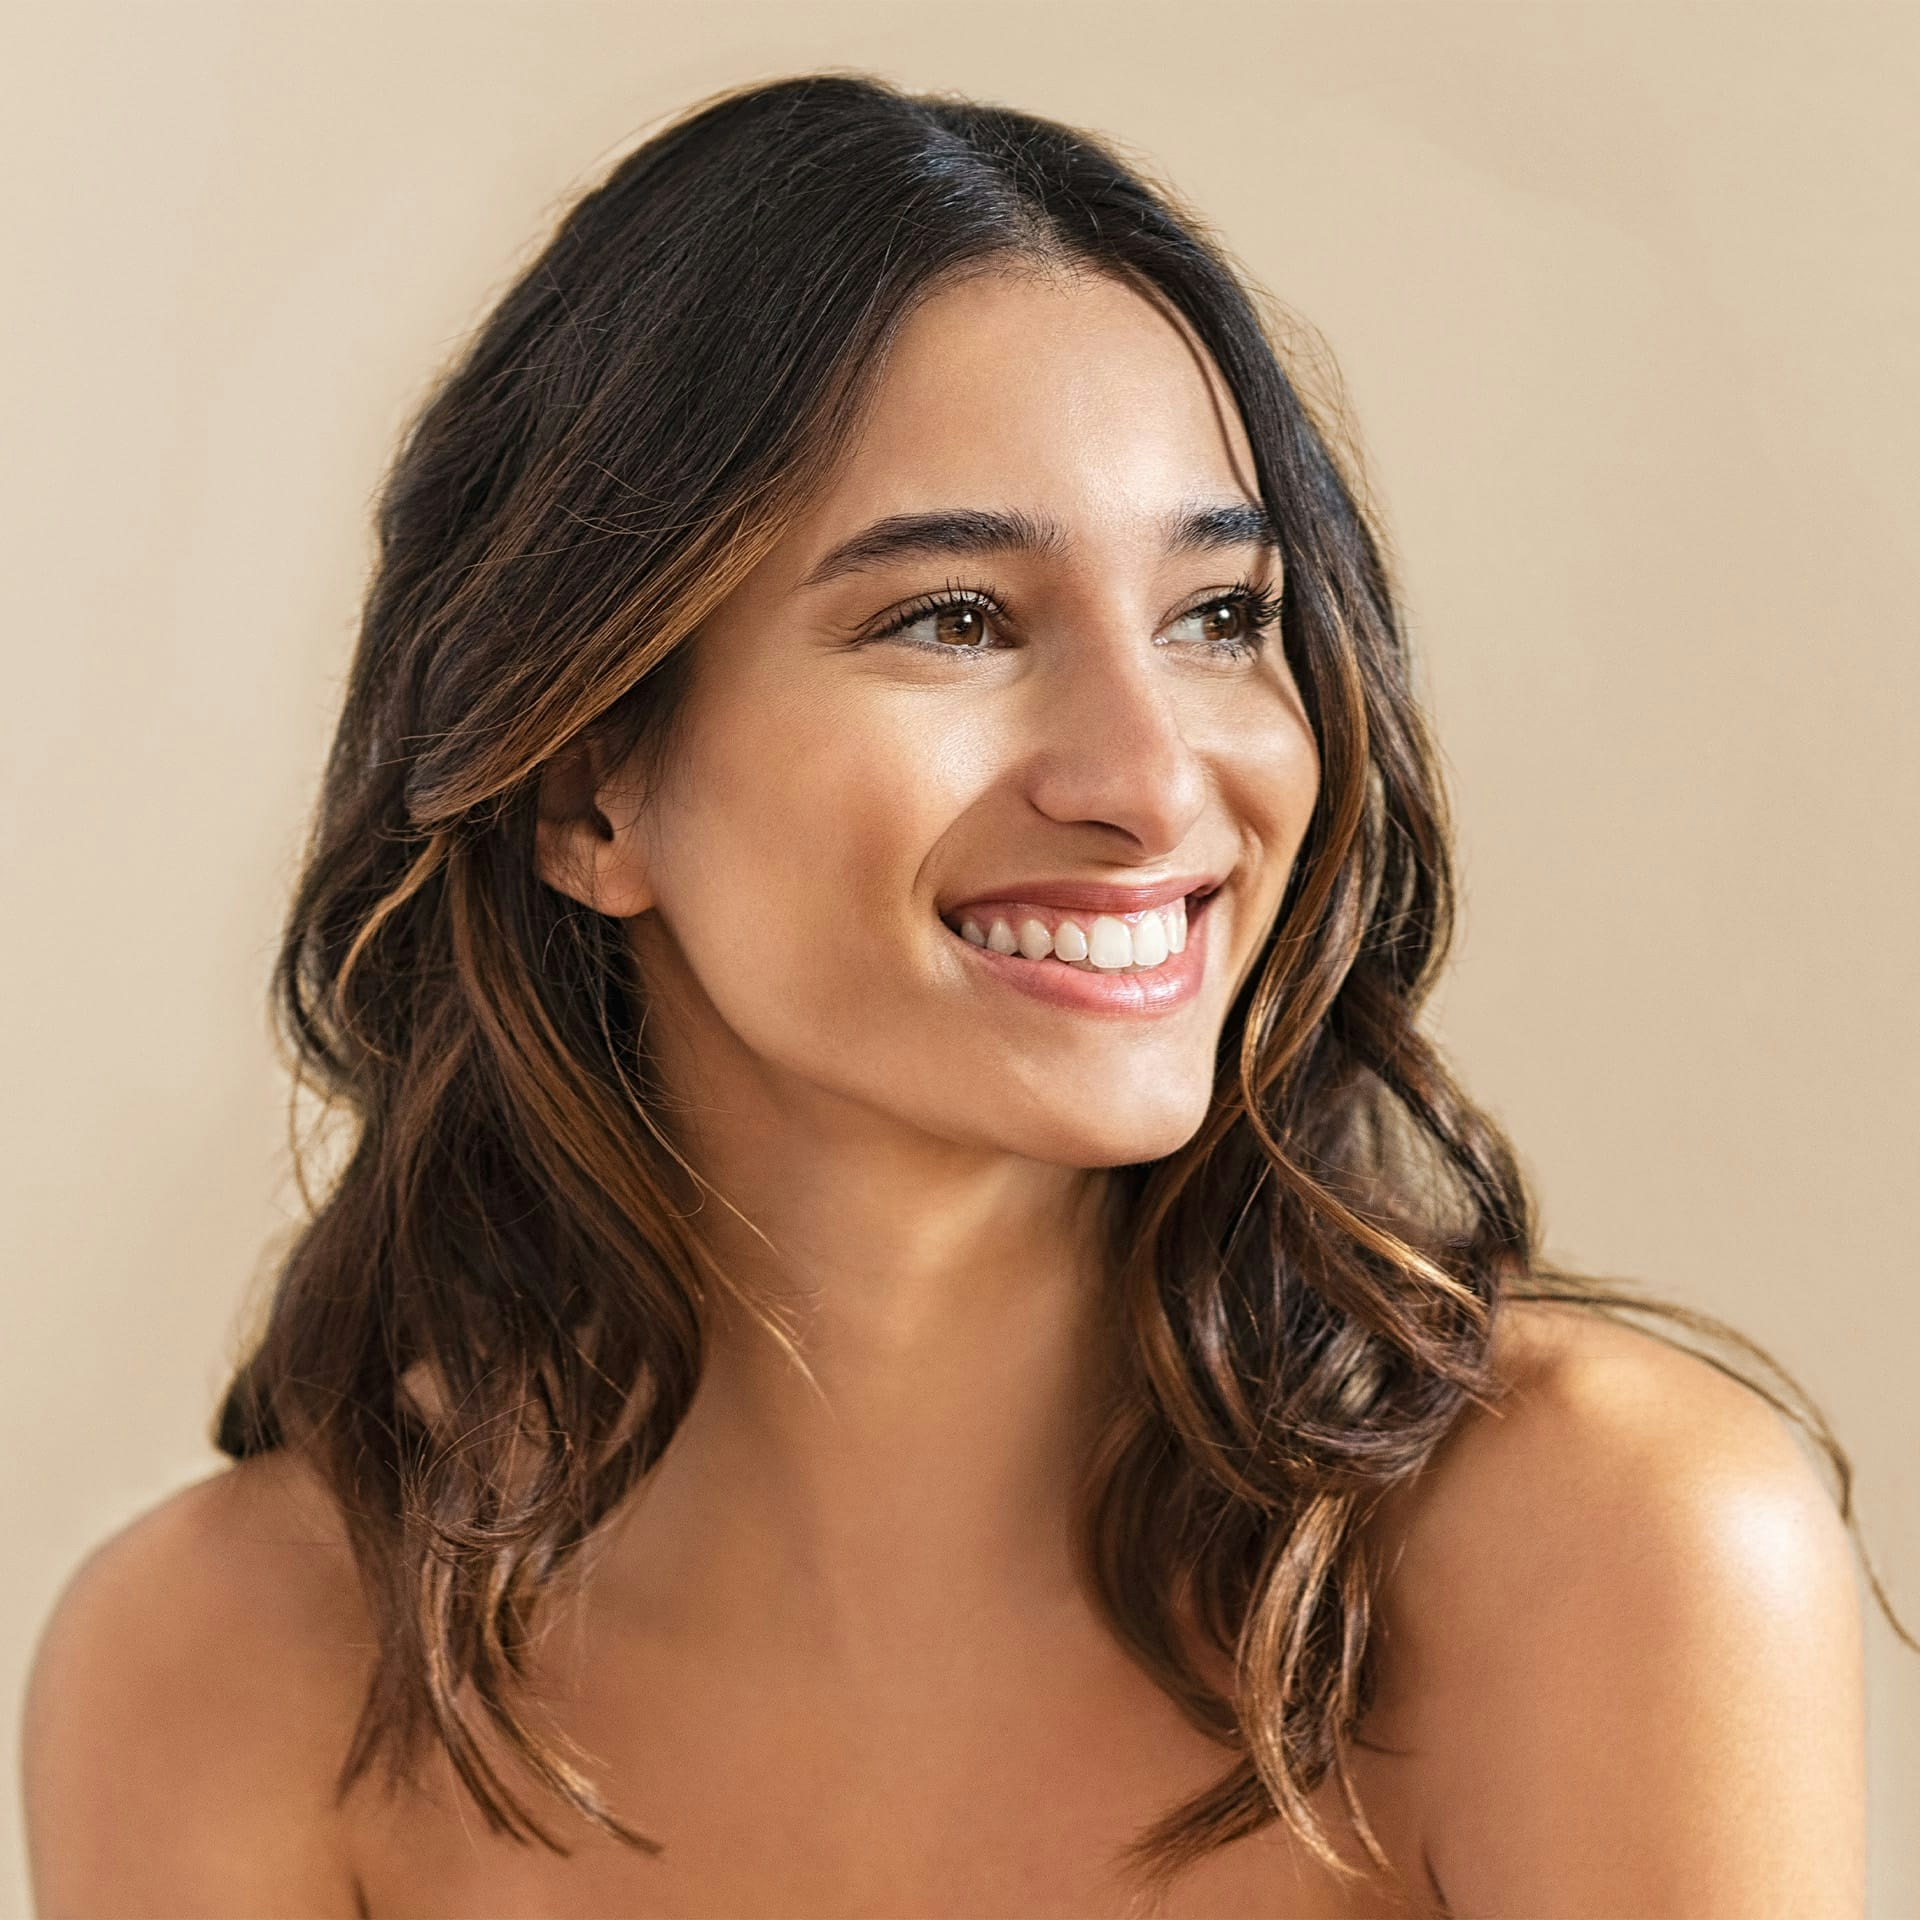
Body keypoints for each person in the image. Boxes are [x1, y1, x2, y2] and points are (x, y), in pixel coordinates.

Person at [22, 72, 1875, 1918]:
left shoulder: (1611, 1561)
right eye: (956, 619)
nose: (1150, 783)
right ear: (591, 783)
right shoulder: (228, 1679)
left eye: (1220, 617)